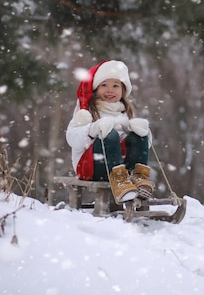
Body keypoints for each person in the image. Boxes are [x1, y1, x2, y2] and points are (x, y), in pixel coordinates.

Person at [66, 60, 154, 204]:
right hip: (91, 167)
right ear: (96, 88)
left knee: (139, 136)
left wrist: (144, 132)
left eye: (115, 86)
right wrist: (92, 130)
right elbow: (71, 138)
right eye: (104, 85)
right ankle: (119, 181)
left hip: (124, 170)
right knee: (110, 135)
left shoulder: (125, 111)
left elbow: (143, 146)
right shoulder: (86, 111)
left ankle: (139, 178)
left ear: (123, 90)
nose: (110, 90)